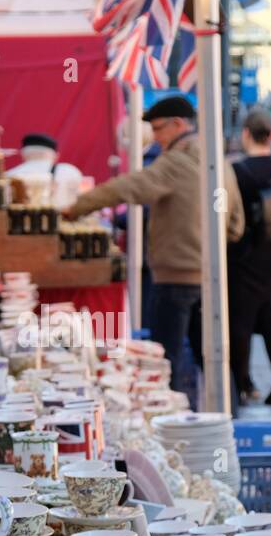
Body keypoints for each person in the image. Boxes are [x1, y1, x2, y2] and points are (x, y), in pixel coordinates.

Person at [63, 96, 244, 404]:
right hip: (210, 275)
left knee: (161, 363)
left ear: (177, 125)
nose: (155, 138)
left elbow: (129, 187)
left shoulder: (177, 161)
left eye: (158, 129)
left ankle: (165, 424)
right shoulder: (218, 160)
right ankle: (227, 422)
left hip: (176, 276)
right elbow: (236, 224)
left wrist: (77, 206)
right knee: (211, 358)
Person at [229, 108, 271, 408]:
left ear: (245, 134)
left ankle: (242, 384)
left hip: (245, 254)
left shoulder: (238, 171)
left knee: (241, 322)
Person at [8, 132, 84, 210]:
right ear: (56, 155)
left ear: (22, 154)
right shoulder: (70, 172)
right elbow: (81, 201)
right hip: (60, 220)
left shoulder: (8, 175)